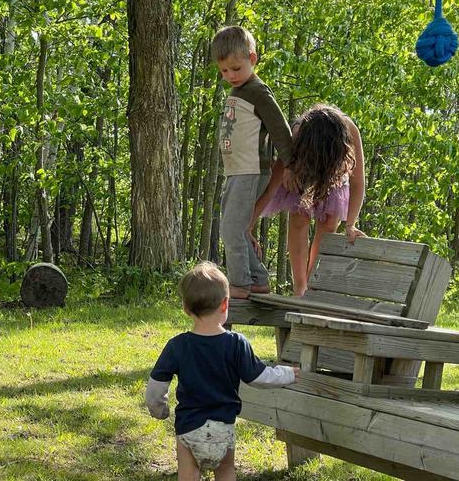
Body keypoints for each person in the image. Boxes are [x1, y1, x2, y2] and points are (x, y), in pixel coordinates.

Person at [145, 262, 299, 481]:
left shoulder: (177, 346)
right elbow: (259, 376)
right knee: (226, 471)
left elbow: (155, 387)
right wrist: (288, 374)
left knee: (188, 473)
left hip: (188, 429)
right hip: (223, 428)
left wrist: (159, 410)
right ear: (225, 304)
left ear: (186, 308)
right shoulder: (236, 343)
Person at [251, 104, 366, 297]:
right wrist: (248, 225)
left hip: (334, 177)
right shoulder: (298, 132)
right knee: (299, 218)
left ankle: (312, 287)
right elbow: (272, 186)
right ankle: (300, 288)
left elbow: (358, 181)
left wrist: (350, 224)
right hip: (300, 173)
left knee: (329, 222)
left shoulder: (349, 129)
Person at [213, 26, 293, 299]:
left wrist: (290, 164)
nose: (230, 76)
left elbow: (280, 129)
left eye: (236, 68)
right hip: (236, 171)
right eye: (224, 71)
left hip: (250, 171)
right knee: (232, 225)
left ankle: (240, 283)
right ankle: (257, 279)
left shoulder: (258, 92)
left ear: (253, 58)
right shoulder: (239, 91)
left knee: (231, 228)